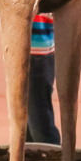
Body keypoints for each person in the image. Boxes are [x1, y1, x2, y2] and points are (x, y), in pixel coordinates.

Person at [27, 11, 60, 145]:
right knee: (28, 117)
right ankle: (30, 157)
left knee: (39, 120)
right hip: (33, 50)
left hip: (34, 51)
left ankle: (54, 159)